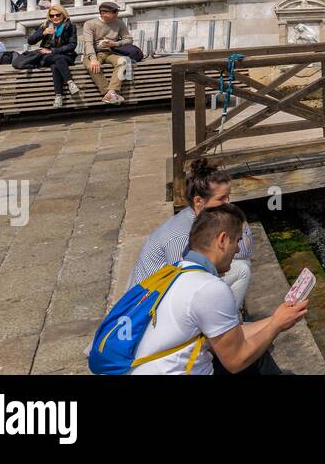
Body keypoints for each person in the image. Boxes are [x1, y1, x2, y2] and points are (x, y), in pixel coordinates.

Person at [128, 203, 304, 375]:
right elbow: (236, 361)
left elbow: (229, 335)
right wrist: (276, 325)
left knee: (255, 352)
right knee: (252, 358)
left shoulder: (176, 271)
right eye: (237, 240)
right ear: (222, 240)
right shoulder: (209, 288)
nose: (237, 249)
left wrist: (277, 318)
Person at [129, 157, 254, 309]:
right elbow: (184, 283)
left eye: (228, 196)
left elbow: (244, 252)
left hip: (170, 288)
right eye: (221, 198)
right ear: (198, 201)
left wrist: (239, 222)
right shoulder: (181, 236)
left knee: (242, 266)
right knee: (234, 274)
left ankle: (229, 321)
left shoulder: (207, 220)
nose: (228, 203)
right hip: (148, 304)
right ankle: (227, 324)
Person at [29, 5, 80, 108]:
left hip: (66, 55)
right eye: (52, 16)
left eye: (57, 15)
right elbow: (30, 41)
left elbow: (72, 45)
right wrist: (43, 33)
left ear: (63, 14)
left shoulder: (70, 26)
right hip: (47, 56)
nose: (55, 17)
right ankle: (70, 82)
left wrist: (53, 50)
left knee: (55, 64)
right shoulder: (45, 25)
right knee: (57, 59)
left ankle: (58, 96)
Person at [83, 2, 132, 105]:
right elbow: (88, 44)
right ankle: (108, 93)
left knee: (124, 61)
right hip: (93, 52)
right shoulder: (90, 24)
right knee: (93, 66)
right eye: (114, 11)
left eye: (117, 11)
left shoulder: (119, 23)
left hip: (110, 51)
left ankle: (111, 92)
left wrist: (114, 43)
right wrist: (93, 59)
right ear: (103, 13)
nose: (117, 13)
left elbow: (129, 39)